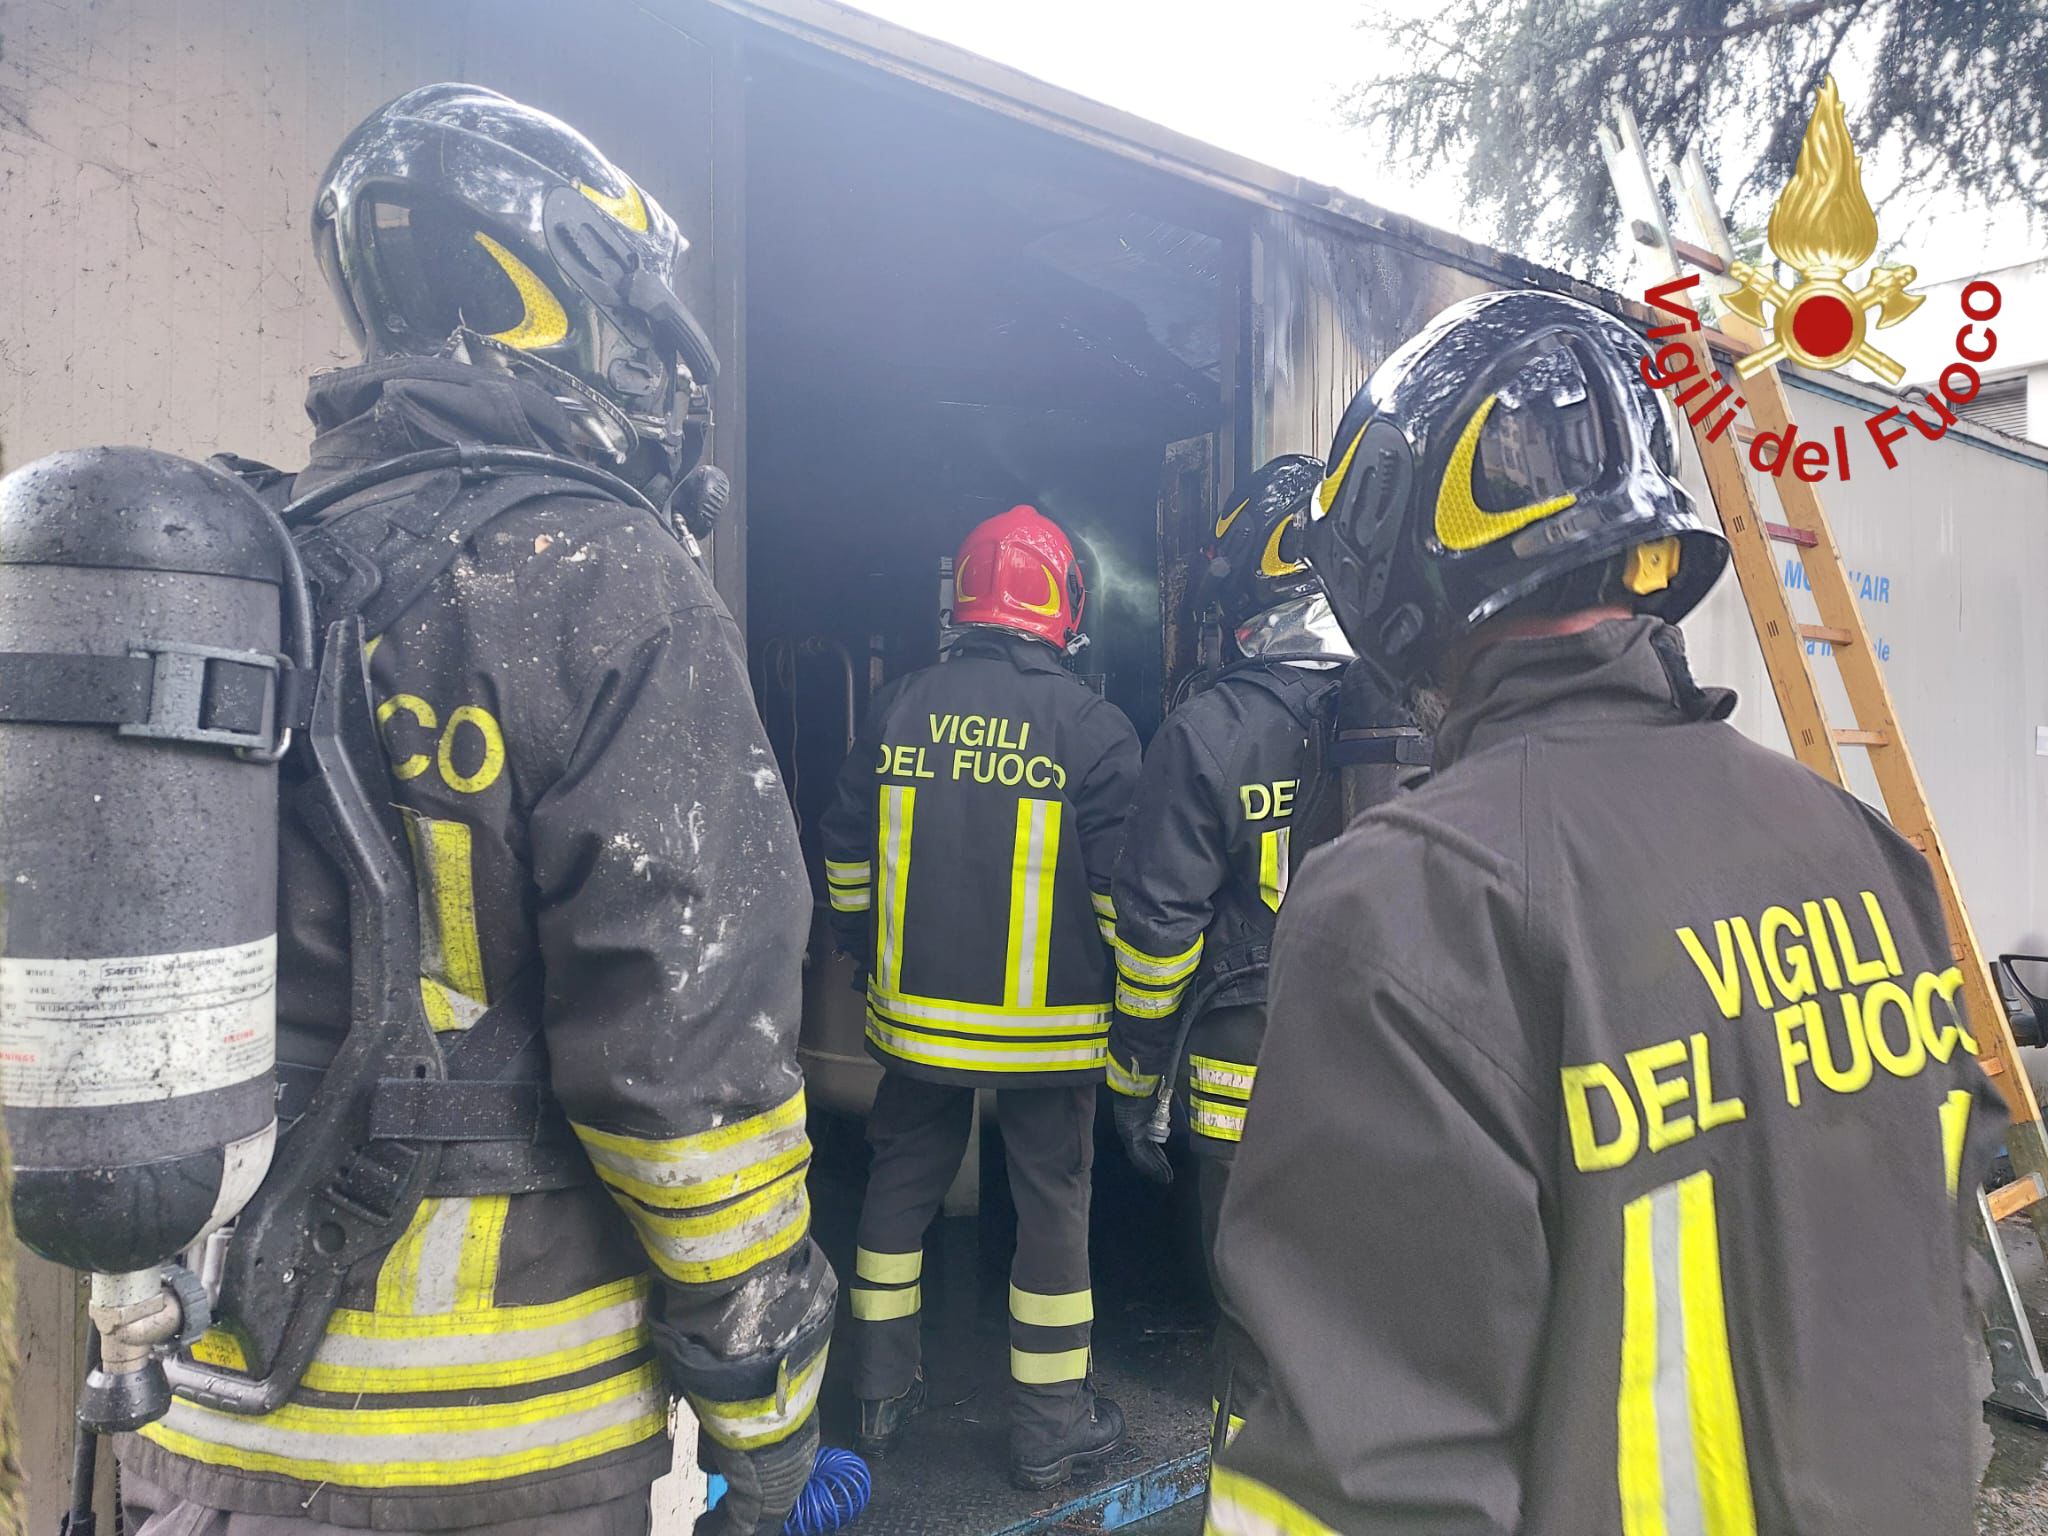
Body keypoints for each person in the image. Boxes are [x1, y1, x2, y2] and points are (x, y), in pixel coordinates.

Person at [116, 85, 835, 1536]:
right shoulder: (610, 579)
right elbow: (685, 1084)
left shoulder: (243, 574)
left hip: (194, 1416)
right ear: (575, 297)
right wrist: (766, 1430)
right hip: (497, 1450)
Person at [1204, 288, 2008, 1535]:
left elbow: (1359, 1492)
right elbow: (1938, 1274)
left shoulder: (1403, 908)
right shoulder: (1857, 848)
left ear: (1401, 567)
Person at [820, 504, 1141, 1490]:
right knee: (1051, 1208)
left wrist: (863, 954)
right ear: (1060, 608)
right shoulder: (1093, 729)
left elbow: (844, 857)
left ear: (961, 601)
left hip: (913, 1022)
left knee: (897, 1190)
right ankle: (1049, 1427)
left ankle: (875, 1396)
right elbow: (1119, 902)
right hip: (1049, 1040)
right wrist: (1138, 1021)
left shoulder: (897, 706)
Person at [1101, 454, 1353, 1438]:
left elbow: (1158, 930)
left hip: (1242, 1084)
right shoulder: (1420, 716)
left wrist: (1134, 1078)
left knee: (1252, 1328)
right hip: (1392, 1079)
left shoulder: (1205, 734)